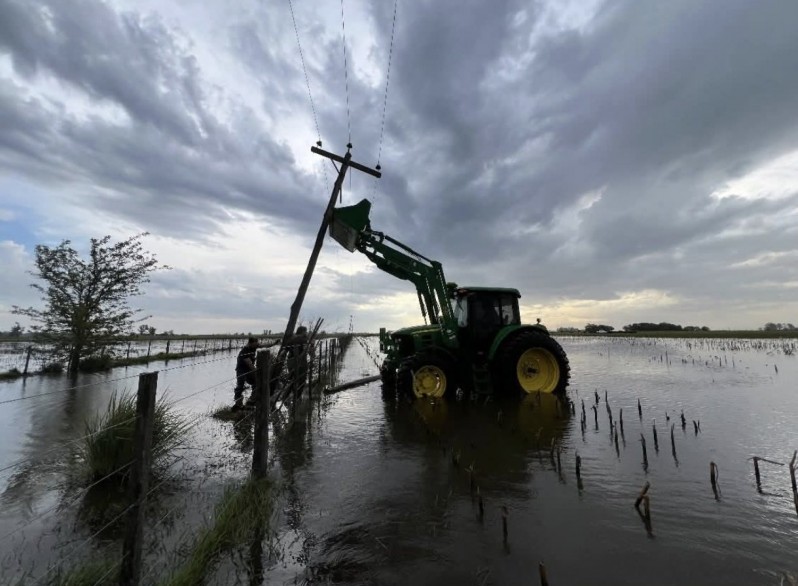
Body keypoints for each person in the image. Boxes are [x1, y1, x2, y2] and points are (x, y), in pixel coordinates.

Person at [233, 337, 259, 410]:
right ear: (250, 343)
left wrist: (274, 343)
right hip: (241, 371)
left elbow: (263, 345)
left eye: (257, 343)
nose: (257, 345)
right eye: (255, 343)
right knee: (240, 386)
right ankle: (238, 403)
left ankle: (252, 400)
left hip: (248, 371)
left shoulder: (253, 347)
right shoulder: (244, 351)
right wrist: (257, 371)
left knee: (256, 382)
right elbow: (250, 364)